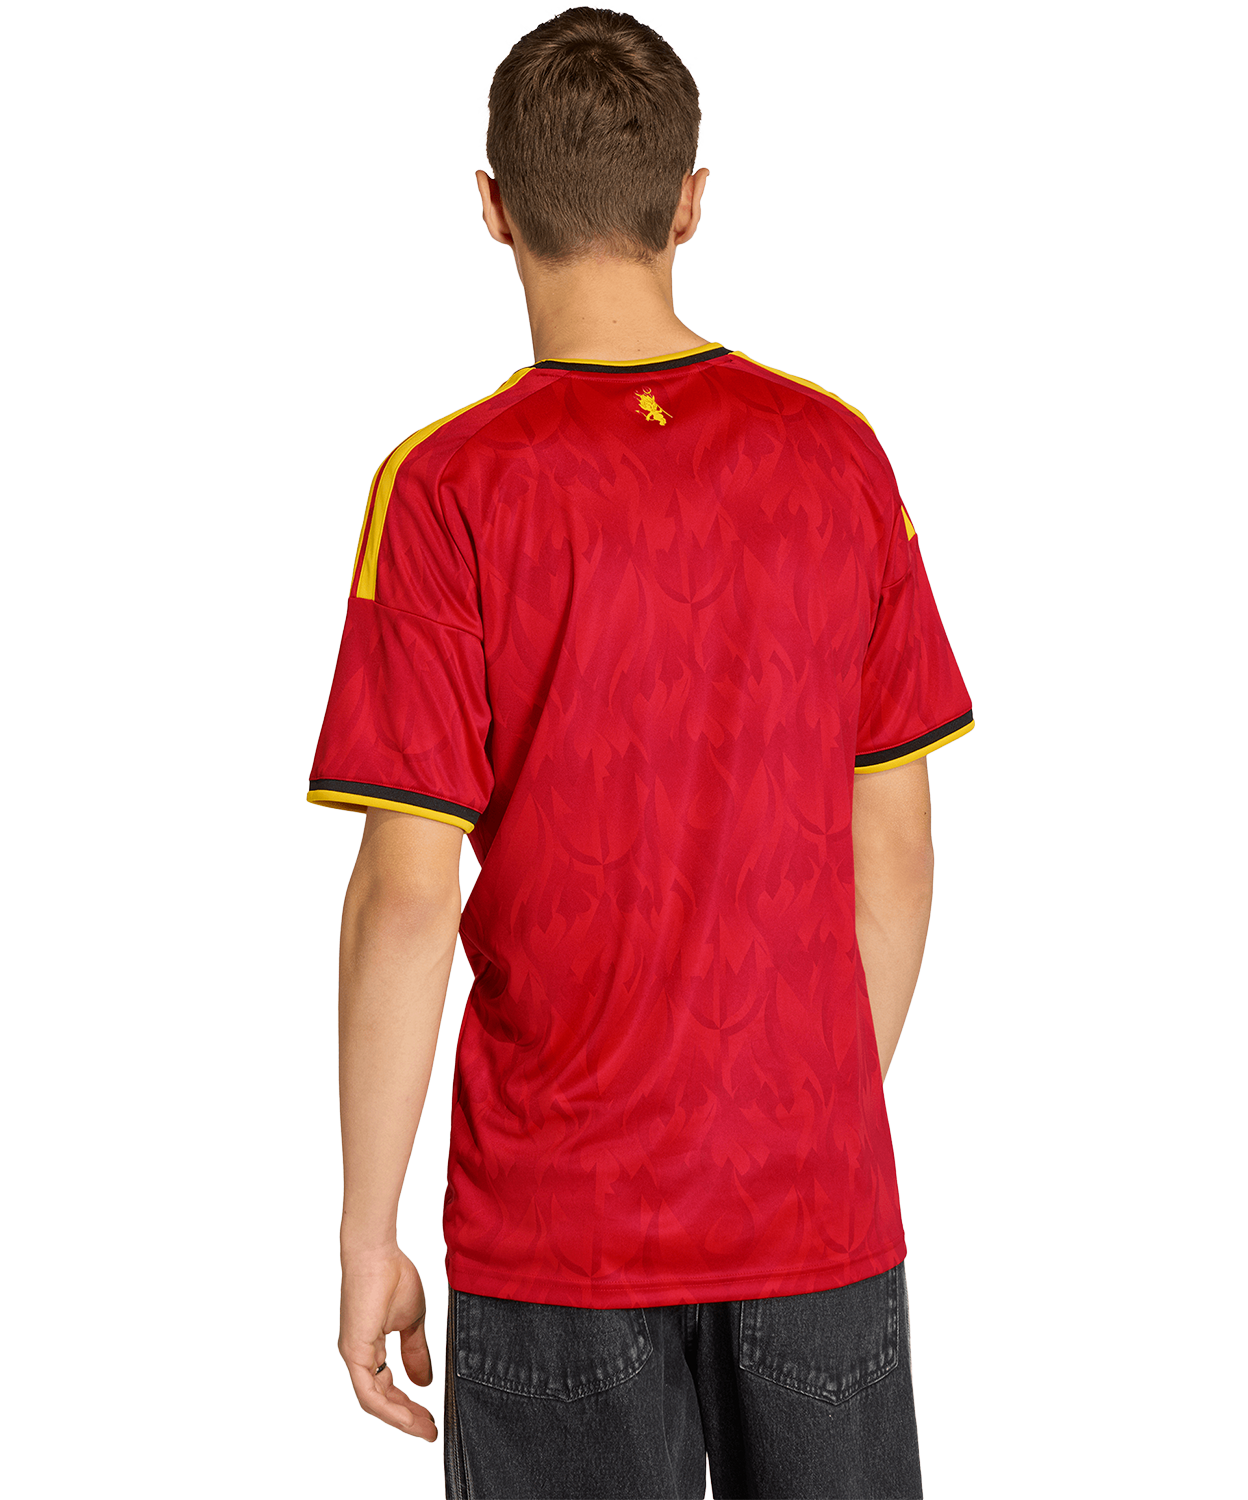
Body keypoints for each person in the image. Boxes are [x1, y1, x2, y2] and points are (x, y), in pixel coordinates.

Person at [307, 8, 972, 1497]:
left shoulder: (446, 492)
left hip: (563, 1227)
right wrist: (793, 1124)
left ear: (493, 207)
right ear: (689, 200)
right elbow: (900, 858)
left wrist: (364, 1237)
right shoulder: (841, 457)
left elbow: (406, 899)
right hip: (815, 1214)